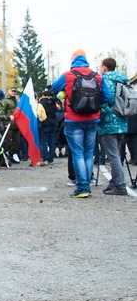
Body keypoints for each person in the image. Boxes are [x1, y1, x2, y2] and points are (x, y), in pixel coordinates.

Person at [52, 49, 111, 198]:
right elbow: (107, 97)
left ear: (73, 61)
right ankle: (88, 181)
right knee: (88, 153)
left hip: (73, 119)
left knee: (77, 153)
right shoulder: (97, 76)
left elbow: (54, 88)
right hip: (92, 119)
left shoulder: (68, 75)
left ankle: (82, 187)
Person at [97, 57, 129, 195]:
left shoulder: (106, 80)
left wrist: (100, 117)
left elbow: (106, 101)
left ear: (105, 68)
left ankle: (120, 185)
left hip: (109, 123)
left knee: (113, 155)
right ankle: (115, 182)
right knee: (117, 154)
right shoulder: (122, 81)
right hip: (122, 121)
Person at [37, 88, 60, 167]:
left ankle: (45, 159)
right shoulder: (53, 103)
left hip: (45, 124)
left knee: (44, 142)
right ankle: (51, 159)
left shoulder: (41, 103)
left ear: (43, 95)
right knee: (52, 142)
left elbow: (38, 114)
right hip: (53, 124)